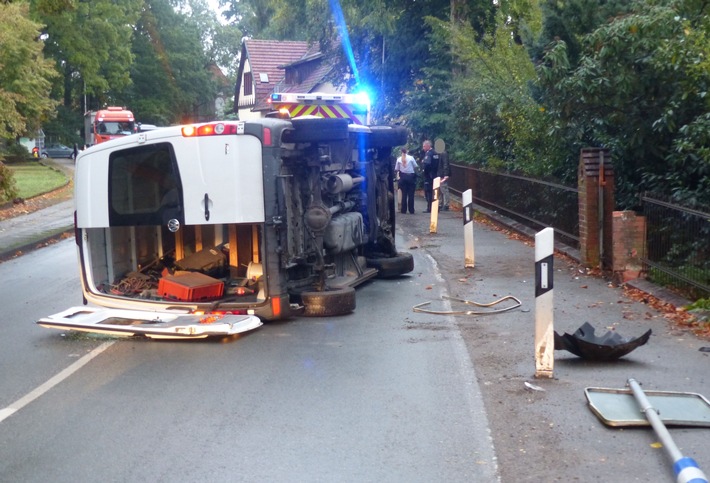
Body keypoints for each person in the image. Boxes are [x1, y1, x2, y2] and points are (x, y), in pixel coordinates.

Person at [394, 147, 418, 214]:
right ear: (407, 151)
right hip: (410, 177)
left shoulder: (399, 159)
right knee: (411, 194)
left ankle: (403, 210)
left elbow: (396, 168)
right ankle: (411, 210)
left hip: (403, 177)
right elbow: (415, 166)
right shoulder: (411, 158)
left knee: (404, 194)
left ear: (401, 152)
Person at [421, 140, 440, 213]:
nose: (423, 148)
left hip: (429, 176)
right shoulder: (435, 153)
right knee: (435, 192)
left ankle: (429, 208)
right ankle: (436, 207)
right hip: (435, 175)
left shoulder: (428, 154)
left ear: (428, 146)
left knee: (428, 192)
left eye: (424, 146)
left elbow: (427, 165)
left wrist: (424, 171)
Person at [436, 142, 451, 210]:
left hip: (442, 174)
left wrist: (446, 174)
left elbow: (445, 164)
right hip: (440, 174)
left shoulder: (443, 153)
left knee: (444, 189)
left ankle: (446, 204)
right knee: (440, 189)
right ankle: (441, 203)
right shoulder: (440, 153)